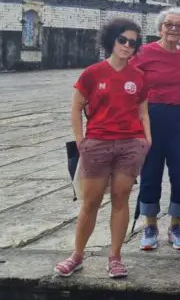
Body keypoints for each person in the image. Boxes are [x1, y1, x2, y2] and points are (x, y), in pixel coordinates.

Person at [55, 18, 150, 279]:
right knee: (91, 201)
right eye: (122, 40)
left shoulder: (138, 76)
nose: (127, 46)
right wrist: (80, 139)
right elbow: (76, 106)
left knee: (121, 198)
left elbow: (143, 111)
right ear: (111, 40)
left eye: (132, 43)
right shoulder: (92, 73)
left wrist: (146, 139)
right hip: (98, 142)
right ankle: (77, 255)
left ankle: (115, 256)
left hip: (130, 143)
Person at [134, 7, 180, 252]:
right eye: (169, 24)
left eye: (178, 26)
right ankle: (150, 225)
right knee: (150, 172)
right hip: (151, 117)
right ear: (160, 28)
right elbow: (130, 82)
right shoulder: (144, 52)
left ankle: (176, 225)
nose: (173, 29)